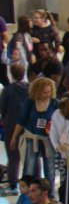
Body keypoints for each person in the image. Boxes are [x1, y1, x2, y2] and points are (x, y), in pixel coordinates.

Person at [10, 78, 59, 194]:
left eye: (49, 92)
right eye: (44, 92)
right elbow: (21, 121)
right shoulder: (30, 102)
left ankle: (49, 195)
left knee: (50, 170)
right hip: (32, 138)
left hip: (49, 140)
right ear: (37, 91)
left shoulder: (55, 103)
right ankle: (26, 195)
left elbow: (60, 122)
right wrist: (14, 137)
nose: (47, 95)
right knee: (29, 168)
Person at [0, 64, 28, 194]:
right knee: (29, 156)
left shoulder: (8, 90)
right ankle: (30, 184)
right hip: (28, 127)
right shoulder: (30, 89)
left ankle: (13, 185)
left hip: (11, 126)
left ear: (11, 74)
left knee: (13, 157)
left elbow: (2, 109)